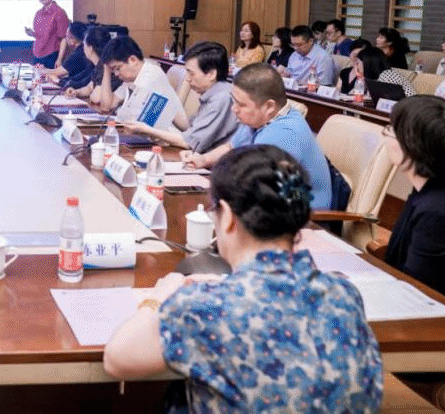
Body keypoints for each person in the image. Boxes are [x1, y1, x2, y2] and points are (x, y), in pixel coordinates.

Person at [104, 144, 383, 413]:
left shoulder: (203, 308)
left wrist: (158, 297)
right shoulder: (344, 294)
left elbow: (117, 359)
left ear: (227, 217)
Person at [182, 64, 332, 209]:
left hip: (300, 215)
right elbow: (230, 147)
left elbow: (255, 186)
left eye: (241, 104)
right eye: (233, 100)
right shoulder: (259, 119)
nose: (234, 109)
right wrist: (203, 160)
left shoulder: (284, 133)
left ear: (269, 107)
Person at [384, 95, 445, 299]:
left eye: (390, 129)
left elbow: (417, 291)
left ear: (412, 145)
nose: (385, 134)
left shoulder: (437, 212)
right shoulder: (427, 188)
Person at [123, 42, 237, 152]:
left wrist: (147, 130)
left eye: (191, 73)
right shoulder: (213, 94)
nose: (187, 78)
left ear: (211, 74)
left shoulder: (221, 98)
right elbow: (190, 129)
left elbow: (190, 143)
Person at [96, 36, 188, 131]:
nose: (116, 74)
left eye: (117, 68)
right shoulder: (131, 79)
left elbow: (142, 122)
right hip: (146, 133)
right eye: (113, 70)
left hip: (168, 135)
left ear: (133, 60)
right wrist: (107, 69)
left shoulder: (151, 76)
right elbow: (107, 106)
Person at [24, 0, 70, 68]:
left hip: (51, 55)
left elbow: (64, 38)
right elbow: (43, 35)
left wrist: (59, 59)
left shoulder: (59, 12)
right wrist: (32, 34)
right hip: (37, 54)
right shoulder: (38, 13)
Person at [63, 25, 112, 100]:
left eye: (84, 44)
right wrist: (76, 92)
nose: (83, 48)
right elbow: (89, 87)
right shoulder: (97, 66)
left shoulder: (105, 67)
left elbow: (96, 98)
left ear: (90, 48)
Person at [38, 22, 91, 86]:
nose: (65, 39)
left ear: (72, 40)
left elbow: (56, 73)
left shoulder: (78, 54)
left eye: (66, 36)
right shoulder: (80, 50)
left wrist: (36, 70)